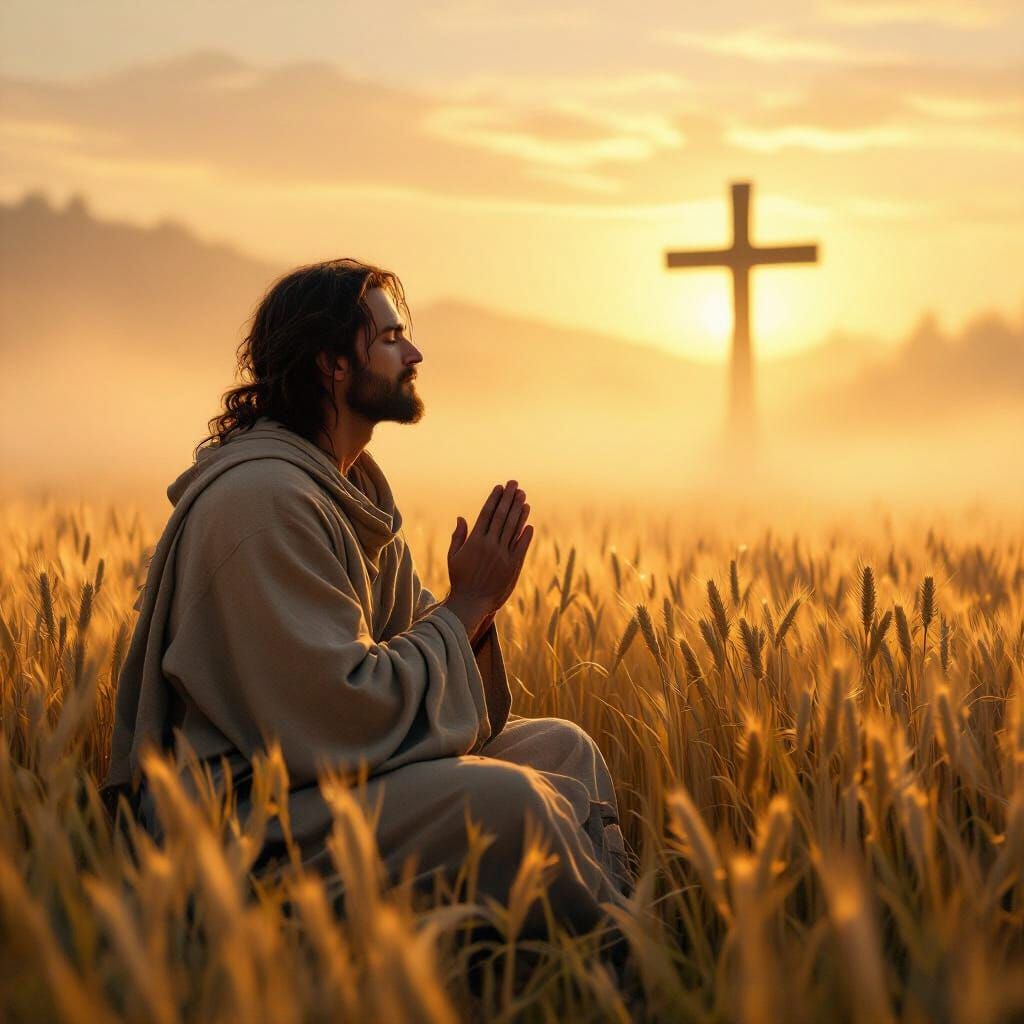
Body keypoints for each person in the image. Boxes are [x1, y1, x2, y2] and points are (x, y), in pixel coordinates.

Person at [101, 258, 634, 938]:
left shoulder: (348, 496)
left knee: (562, 750)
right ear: (332, 365)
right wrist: (468, 605)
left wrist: (475, 611)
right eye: (389, 338)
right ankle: (613, 968)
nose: (414, 354)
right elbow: (334, 717)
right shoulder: (262, 504)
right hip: (253, 818)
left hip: (325, 782)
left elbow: (420, 659)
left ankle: (580, 947)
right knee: (512, 804)